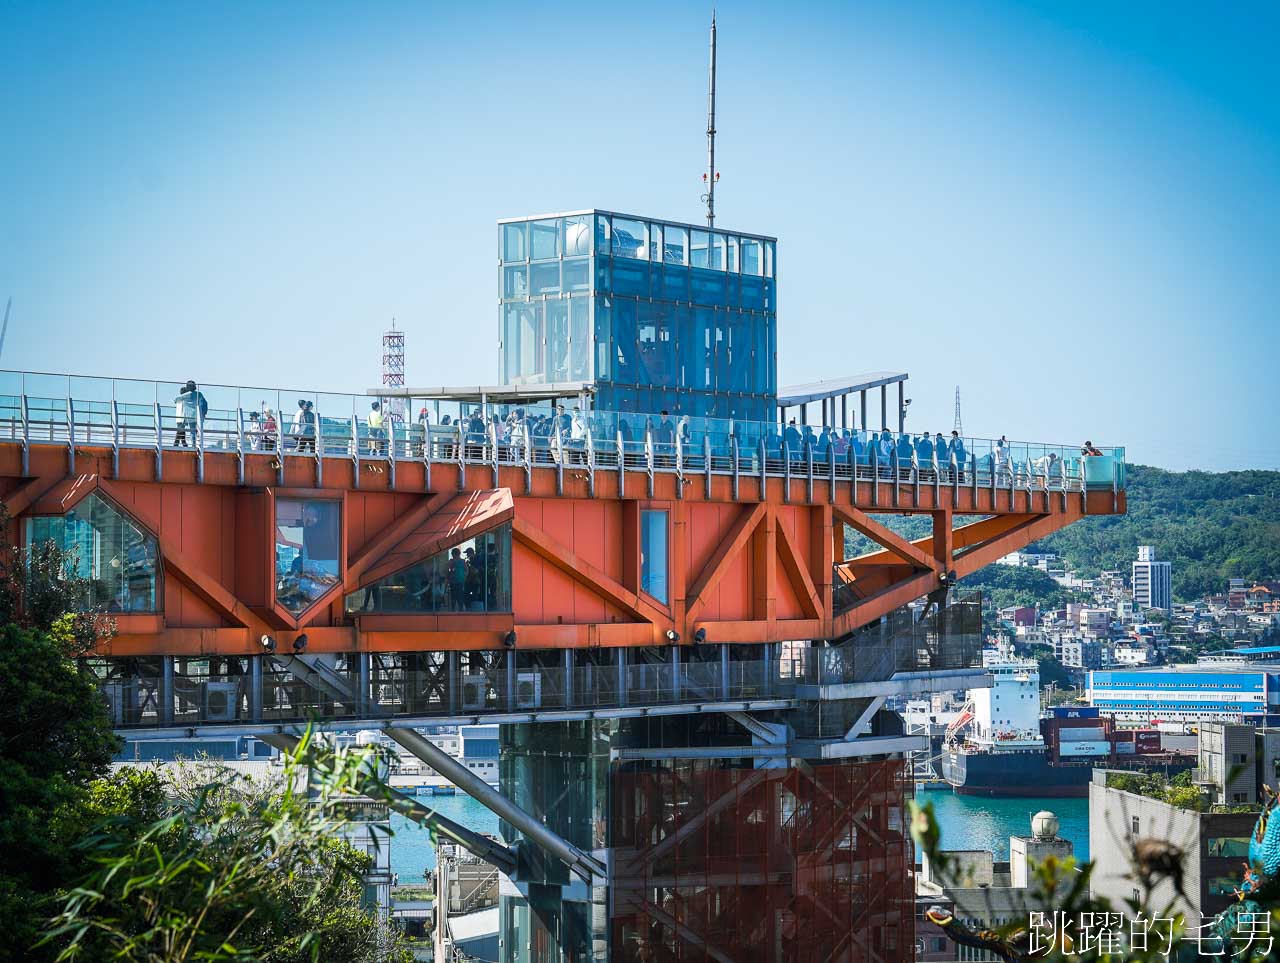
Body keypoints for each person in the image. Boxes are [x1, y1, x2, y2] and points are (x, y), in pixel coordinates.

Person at [172, 380, 207, 447]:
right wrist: (204, 413)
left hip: (189, 415)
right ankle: (194, 445)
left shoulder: (186, 395)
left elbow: (176, 399)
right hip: (197, 415)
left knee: (190, 431)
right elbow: (205, 403)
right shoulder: (199, 394)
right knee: (194, 431)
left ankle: (192, 444)